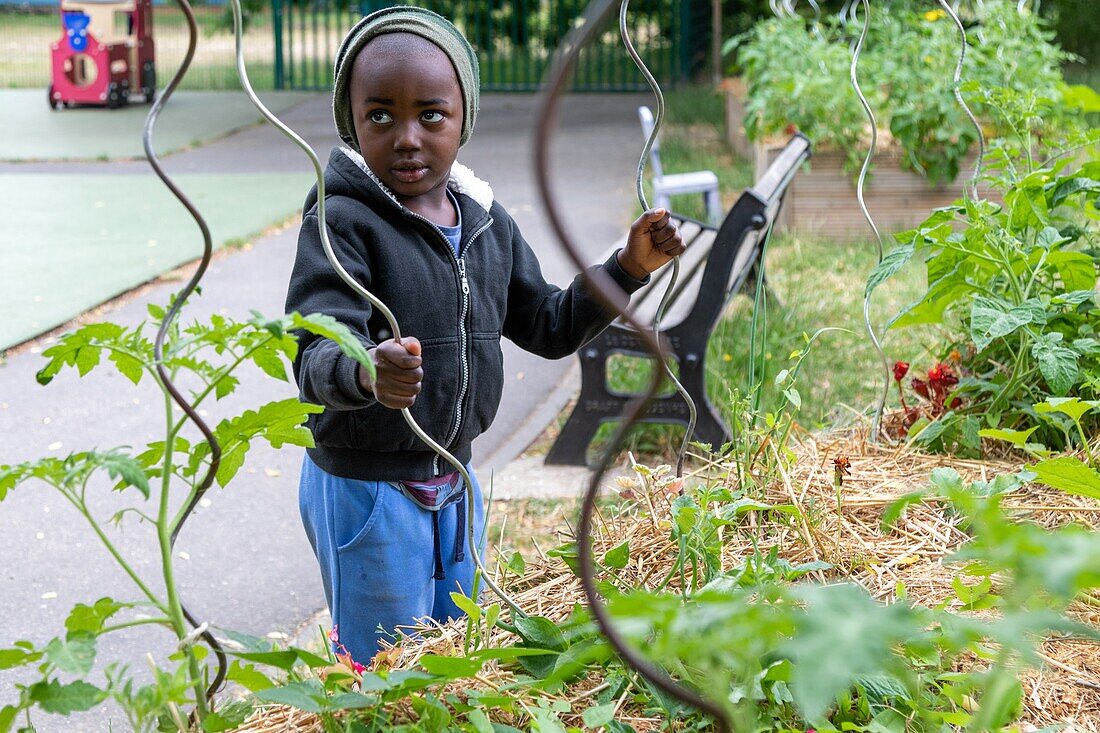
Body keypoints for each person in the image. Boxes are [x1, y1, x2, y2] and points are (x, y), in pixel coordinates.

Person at [284, 5, 685, 663]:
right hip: (370, 485)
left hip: (457, 476)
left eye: (430, 114)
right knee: (385, 663)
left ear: (463, 117)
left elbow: (550, 324)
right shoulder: (342, 223)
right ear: (351, 124)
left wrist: (627, 268)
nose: (407, 135)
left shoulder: (485, 224)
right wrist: (364, 371)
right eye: (380, 114)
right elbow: (313, 349)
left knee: (456, 650)